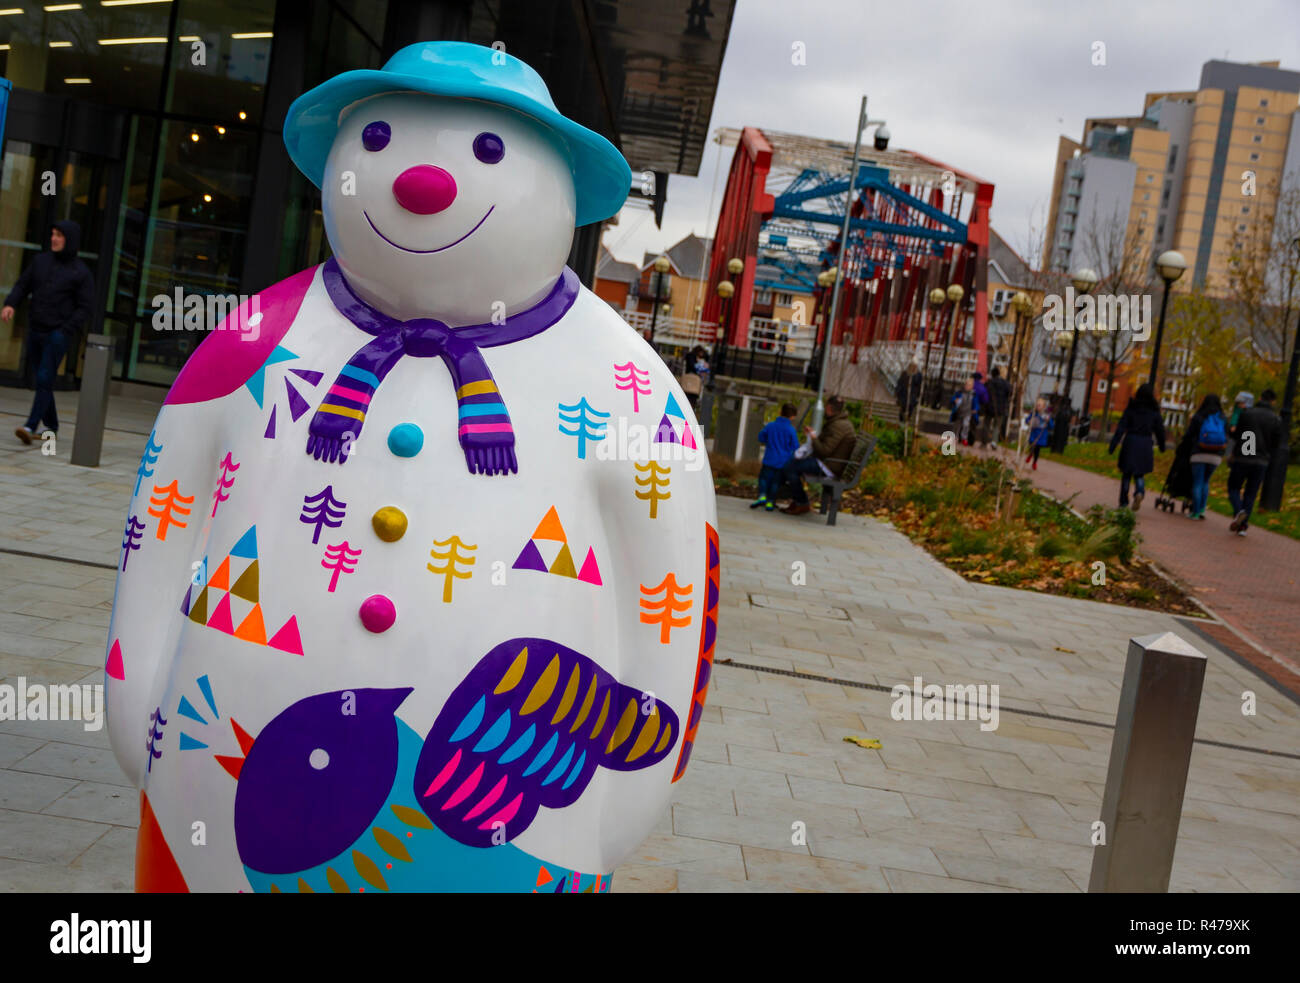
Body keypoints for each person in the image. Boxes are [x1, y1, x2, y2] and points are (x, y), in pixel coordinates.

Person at [4, 220, 94, 444]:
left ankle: (30, 425)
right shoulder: (40, 261)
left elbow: (85, 307)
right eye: (53, 234)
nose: (54, 239)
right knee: (43, 380)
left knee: (44, 376)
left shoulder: (80, 272)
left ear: (70, 240)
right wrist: (10, 304)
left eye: (59, 236)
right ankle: (51, 426)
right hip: (36, 329)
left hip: (58, 334)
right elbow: (22, 285)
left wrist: (65, 330)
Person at [780, 394, 856, 515]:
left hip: (828, 467)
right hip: (829, 463)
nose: (825, 410)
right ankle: (797, 500)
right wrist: (812, 436)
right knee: (792, 462)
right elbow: (826, 447)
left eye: (826, 407)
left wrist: (813, 438)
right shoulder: (838, 422)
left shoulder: (838, 426)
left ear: (829, 408)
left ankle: (801, 502)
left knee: (790, 467)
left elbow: (824, 451)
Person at [1226, 389, 1283, 536]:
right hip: (1261, 461)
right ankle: (1243, 527)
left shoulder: (1247, 414)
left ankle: (1239, 512)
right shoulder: (1275, 419)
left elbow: (1237, 434)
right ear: (1273, 401)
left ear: (1260, 398)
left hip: (1243, 456)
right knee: (1251, 493)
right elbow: (1276, 443)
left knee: (1233, 487)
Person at [1108, 382, 1166, 510]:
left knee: (1126, 474)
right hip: (1145, 443)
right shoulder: (1154, 412)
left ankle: (1123, 502)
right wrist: (1162, 445)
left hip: (1130, 441)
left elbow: (1121, 427)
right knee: (1139, 473)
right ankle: (1139, 492)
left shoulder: (1131, 408)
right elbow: (1160, 430)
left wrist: (1113, 445)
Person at [1178, 393, 1226, 520]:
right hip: (1216, 456)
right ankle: (1203, 509)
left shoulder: (1199, 416)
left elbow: (1189, 435)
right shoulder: (1222, 417)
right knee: (1206, 481)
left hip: (1199, 453)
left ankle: (1195, 512)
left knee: (1198, 482)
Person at [752, 402, 799, 512]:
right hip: (782, 461)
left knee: (763, 478)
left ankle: (762, 495)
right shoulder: (791, 430)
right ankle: (770, 501)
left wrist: (768, 441)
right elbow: (795, 446)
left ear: (780, 412)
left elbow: (761, 437)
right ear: (792, 417)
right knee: (776, 482)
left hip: (769, 458)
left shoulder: (770, 425)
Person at [985, 366, 1011, 447]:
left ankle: (984, 440)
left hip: (990, 407)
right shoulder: (1006, 384)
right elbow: (1010, 393)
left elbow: (986, 392)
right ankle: (994, 441)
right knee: (997, 426)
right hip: (1001, 408)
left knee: (987, 424)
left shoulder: (990, 382)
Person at [1024, 397, 1052, 470]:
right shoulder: (1034, 414)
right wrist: (1028, 421)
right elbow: (1027, 420)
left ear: (1043, 407)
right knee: (1032, 446)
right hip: (1033, 434)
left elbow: (1051, 426)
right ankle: (1030, 454)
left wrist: (1048, 421)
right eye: (1037, 405)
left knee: (1037, 449)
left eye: (1039, 405)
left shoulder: (1046, 415)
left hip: (1041, 436)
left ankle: (1034, 462)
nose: (1037, 407)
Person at [950, 377, 979, 445]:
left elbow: (976, 403)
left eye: (969, 385)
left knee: (966, 424)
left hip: (968, 412)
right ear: (964, 385)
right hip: (959, 412)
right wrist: (955, 400)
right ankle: (955, 437)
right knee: (957, 426)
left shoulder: (973, 394)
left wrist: (975, 409)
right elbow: (953, 398)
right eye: (967, 385)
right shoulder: (960, 392)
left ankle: (964, 438)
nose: (967, 386)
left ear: (972, 387)